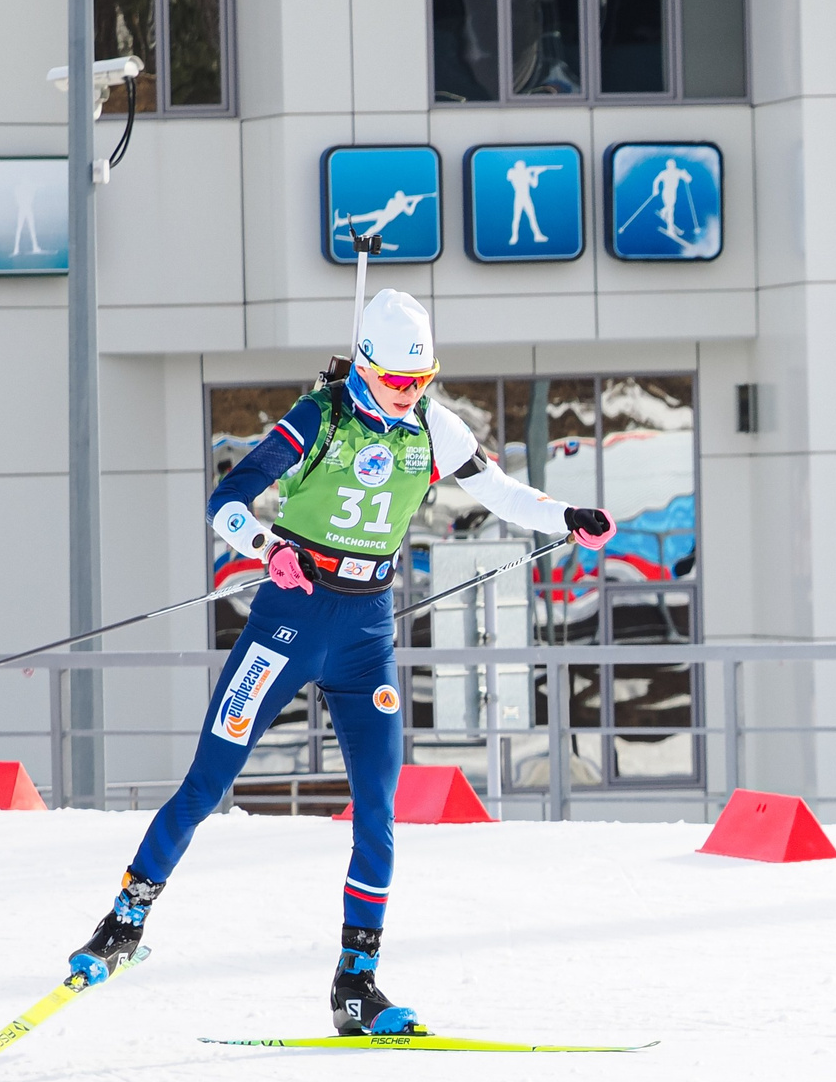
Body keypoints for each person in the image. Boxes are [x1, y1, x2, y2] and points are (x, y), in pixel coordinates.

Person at [64, 290, 613, 1036]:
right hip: (288, 621)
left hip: (365, 633)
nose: (408, 395)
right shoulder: (318, 416)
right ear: (364, 366)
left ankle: (357, 984)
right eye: (394, 381)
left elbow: (499, 490)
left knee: (379, 811)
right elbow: (227, 500)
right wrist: (266, 549)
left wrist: (567, 514)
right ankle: (123, 923)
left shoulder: (430, 423)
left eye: (421, 381)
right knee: (207, 782)